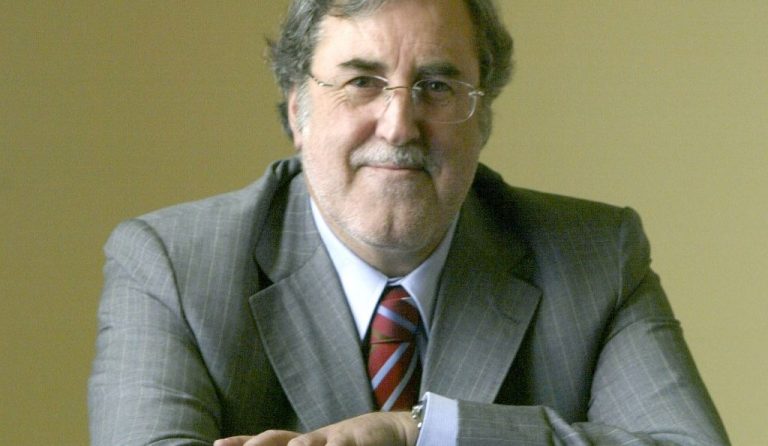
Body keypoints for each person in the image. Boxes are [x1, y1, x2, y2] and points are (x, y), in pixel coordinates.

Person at [88, 0, 730, 445]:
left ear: (482, 118)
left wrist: (424, 433)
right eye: (362, 82)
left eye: (437, 86)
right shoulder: (172, 266)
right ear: (297, 109)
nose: (399, 126)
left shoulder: (596, 257)